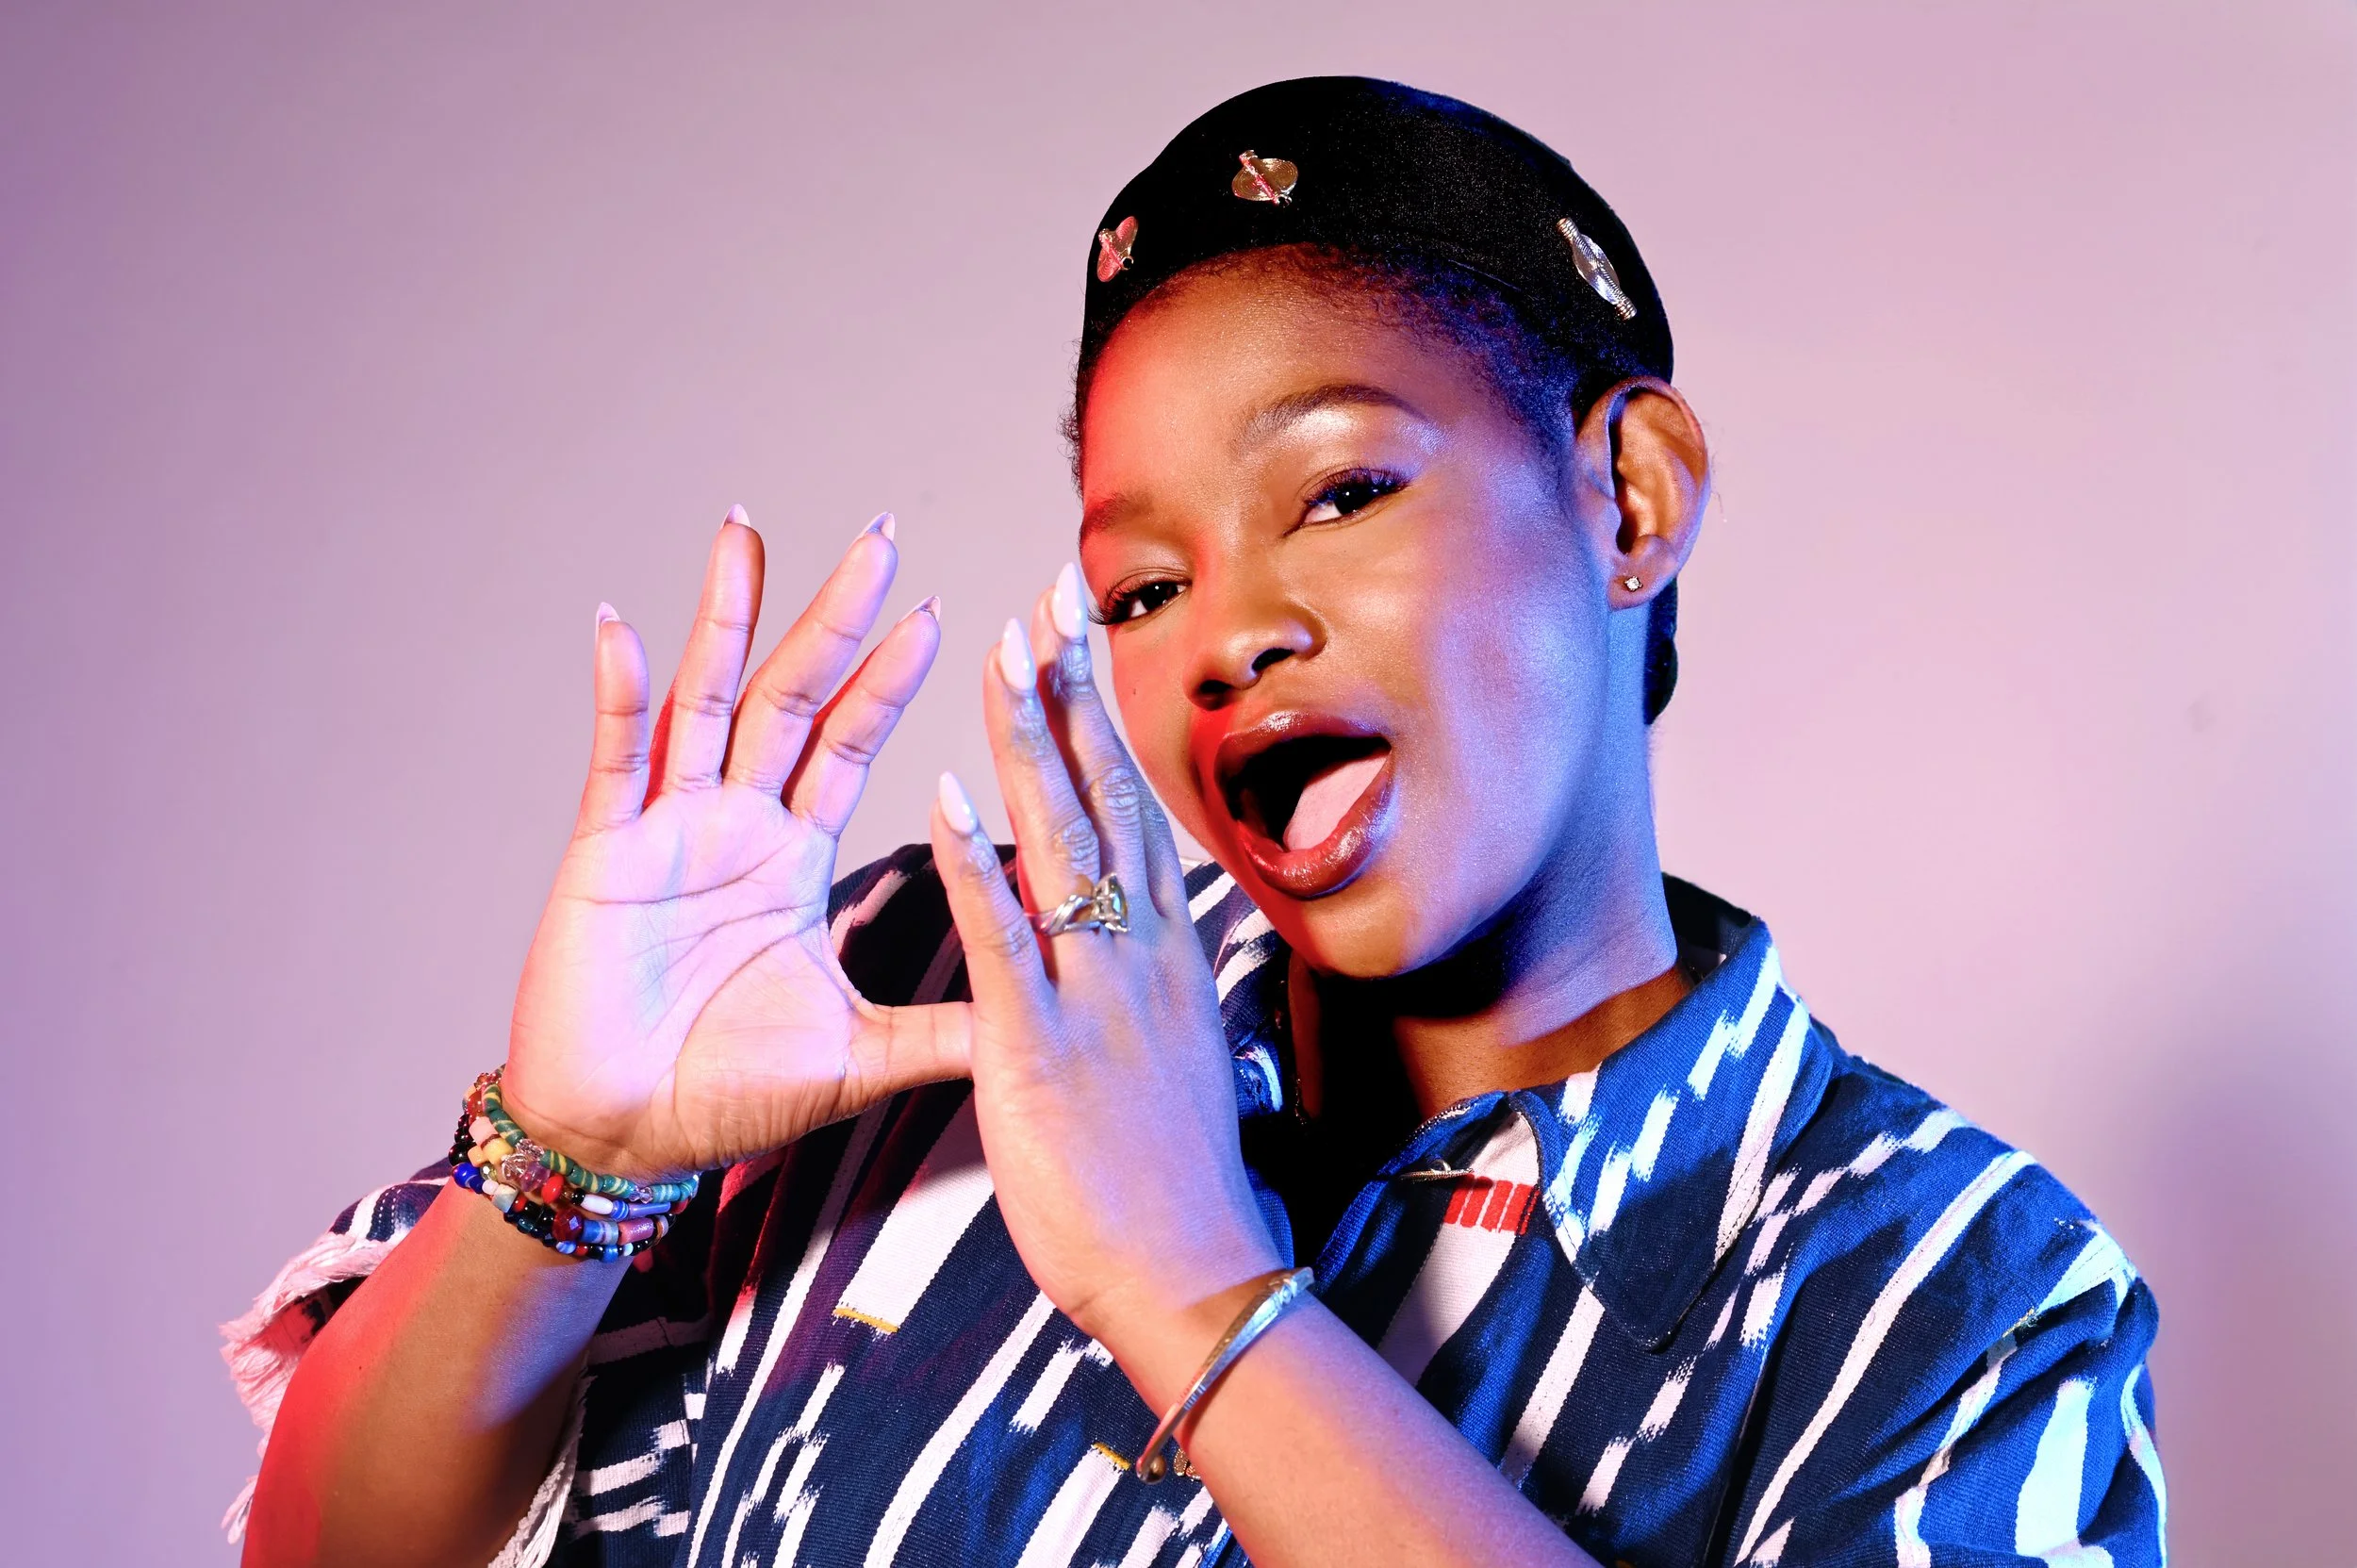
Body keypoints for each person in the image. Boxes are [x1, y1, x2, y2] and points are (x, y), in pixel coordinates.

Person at [225, 77, 2166, 1568]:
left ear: (1630, 496)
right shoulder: (915, 1003)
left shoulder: (1947, 1291)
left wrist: (1196, 1294)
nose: (1228, 629)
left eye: (1336, 493)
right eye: (1137, 588)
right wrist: (560, 1170)